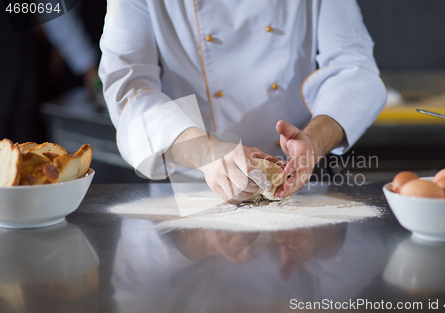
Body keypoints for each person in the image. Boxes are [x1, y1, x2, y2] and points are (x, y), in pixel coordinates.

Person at [99, 0, 387, 204]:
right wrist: (207, 153)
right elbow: (129, 88)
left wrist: (312, 142)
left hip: (296, 185)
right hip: (193, 190)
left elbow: (355, 67)